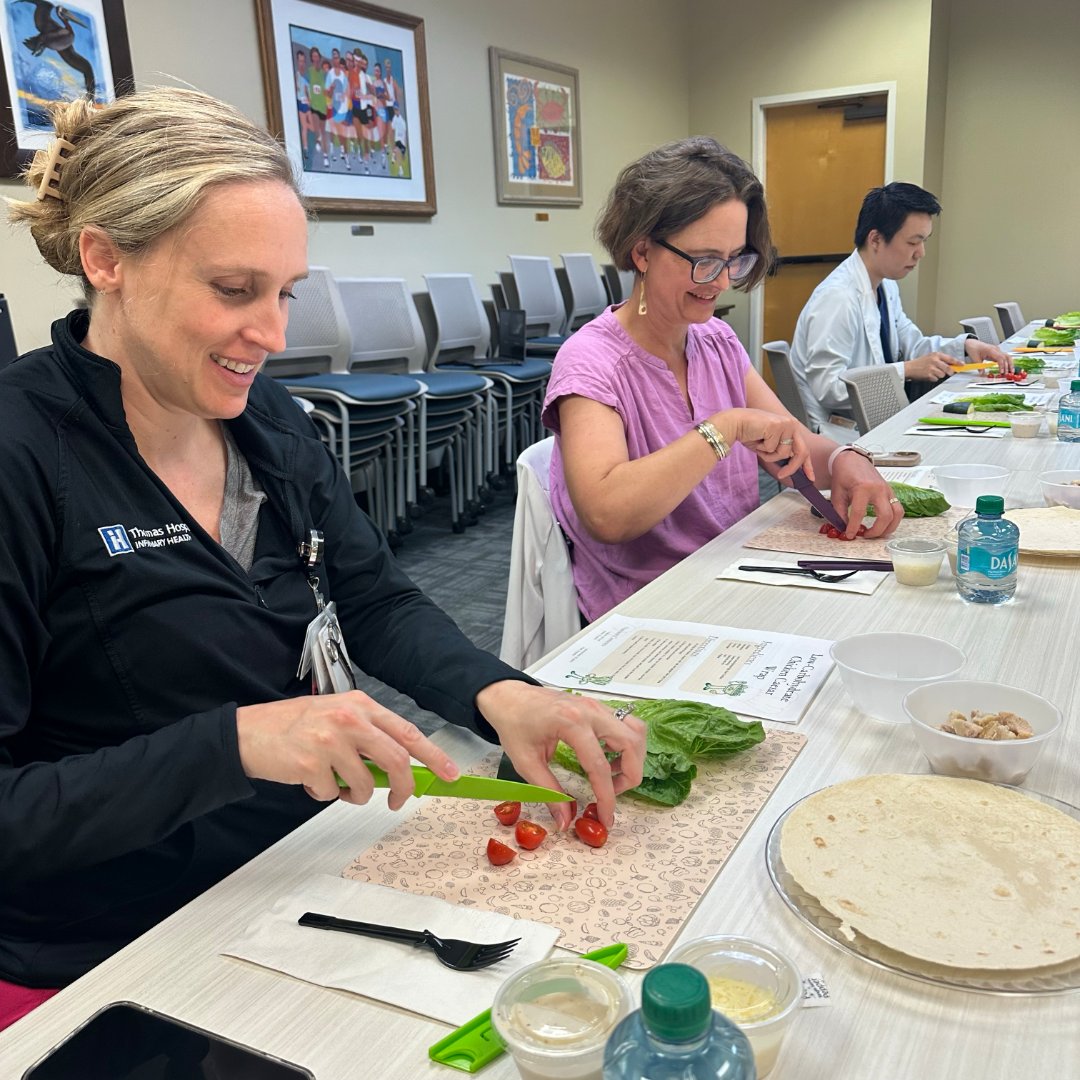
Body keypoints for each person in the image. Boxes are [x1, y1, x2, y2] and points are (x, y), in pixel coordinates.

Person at [0, 87, 645, 1030]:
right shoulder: (22, 456)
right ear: (106, 259)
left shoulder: (261, 417)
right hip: (109, 946)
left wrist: (501, 695)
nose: (274, 334)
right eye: (233, 290)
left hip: (287, 869)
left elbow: (372, 597)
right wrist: (237, 744)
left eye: (285, 293)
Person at [542, 137, 903, 623]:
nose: (722, 281)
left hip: (733, 570)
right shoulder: (591, 361)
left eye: (735, 259)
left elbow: (793, 442)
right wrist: (725, 427)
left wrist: (844, 458)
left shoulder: (715, 340)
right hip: (654, 606)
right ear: (643, 251)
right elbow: (608, 514)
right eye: (704, 259)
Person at [790, 182, 1011, 431]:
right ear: (875, 239)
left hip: (876, 423)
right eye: (913, 242)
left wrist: (965, 346)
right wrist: (905, 370)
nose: (921, 253)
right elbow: (828, 388)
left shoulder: (885, 285)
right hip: (840, 434)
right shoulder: (837, 297)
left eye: (924, 241)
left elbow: (912, 345)